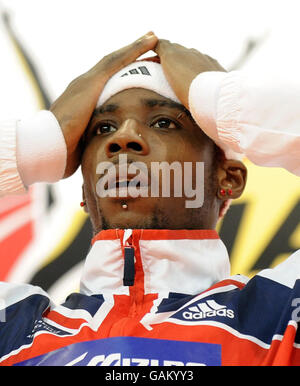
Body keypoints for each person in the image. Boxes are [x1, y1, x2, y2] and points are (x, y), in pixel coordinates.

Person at [0, 32, 299, 366]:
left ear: (226, 178)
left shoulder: (279, 314)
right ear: (85, 191)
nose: (123, 137)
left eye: (163, 122)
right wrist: (38, 141)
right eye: (103, 128)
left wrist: (221, 100)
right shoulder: (13, 328)